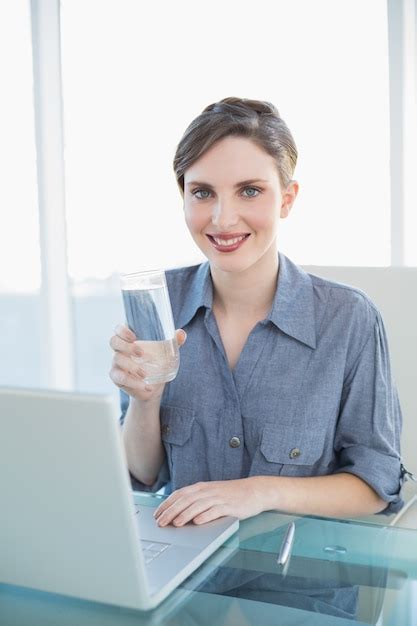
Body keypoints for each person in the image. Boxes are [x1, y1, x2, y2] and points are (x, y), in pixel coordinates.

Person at [109, 97, 404, 527]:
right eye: (203, 193)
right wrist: (145, 400)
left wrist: (259, 491)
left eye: (250, 191)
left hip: (299, 583)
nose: (223, 218)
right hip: (183, 573)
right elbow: (144, 472)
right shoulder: (158, 301)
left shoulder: (349, 318)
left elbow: (377, 483)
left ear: (287, 199)